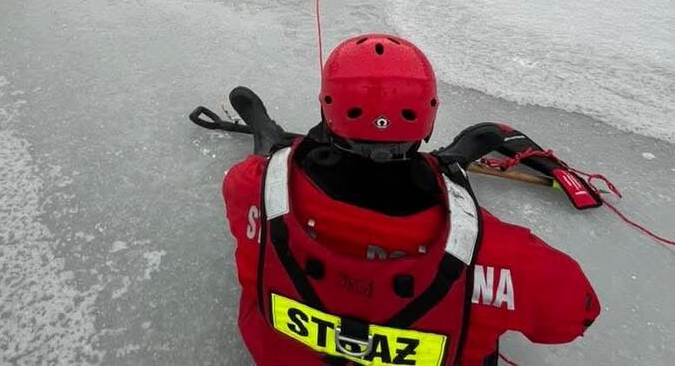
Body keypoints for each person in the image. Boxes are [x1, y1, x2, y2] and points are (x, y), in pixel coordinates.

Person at [223, 34, 601, 366]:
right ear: (428, 119)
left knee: (282, 164)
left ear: (327, 110)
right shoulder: (500, 257)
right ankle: (440, 168)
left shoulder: (252, 189)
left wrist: (274, 163)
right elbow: (576, 315)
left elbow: (242, 202)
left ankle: (288, 146)